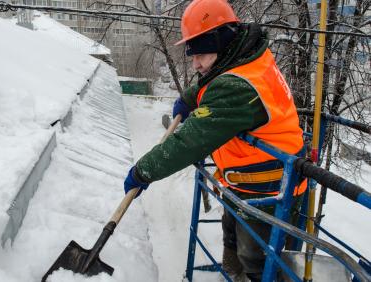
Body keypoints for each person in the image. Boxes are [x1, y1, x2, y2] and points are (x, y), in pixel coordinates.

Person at [123, 0, 306, 281]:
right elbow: (215, 76)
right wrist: (188, 98)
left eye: (201, 55)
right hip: (246, 184)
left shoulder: (238, 88)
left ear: (222, 43)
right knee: (233, 245)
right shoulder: (246, 57)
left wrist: (143, 171)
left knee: (260, 265)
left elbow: (190, 141)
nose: (195, 63)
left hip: (270, 192)